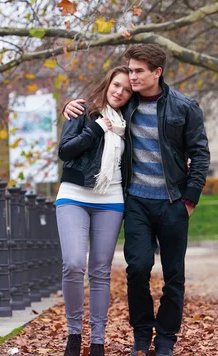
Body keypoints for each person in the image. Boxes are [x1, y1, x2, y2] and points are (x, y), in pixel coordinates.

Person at [63, 44, 210, 356]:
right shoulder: (124, 107)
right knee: (138, 269)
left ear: (157, 72)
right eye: (129, 71)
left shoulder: (184, 107)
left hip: (173, 202)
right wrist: (68, 106)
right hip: (136, 202)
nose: (131, 78)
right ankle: (142, 337)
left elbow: (199, 154)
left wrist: (190, 200)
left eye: (138, 71)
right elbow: (96, 108)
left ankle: (166, 340)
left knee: (174, 276)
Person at [56, 66, 133, 356]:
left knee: (100, 271)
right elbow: (65, 151)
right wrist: (96, 129)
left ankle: (98, 340)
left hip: (111, 200)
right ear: (107, 83)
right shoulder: (82, 111)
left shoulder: (130, 122)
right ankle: (74, 334)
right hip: (73, 196)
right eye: (116, 85)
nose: (120, 92)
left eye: (126, 90)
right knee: (74, 263)